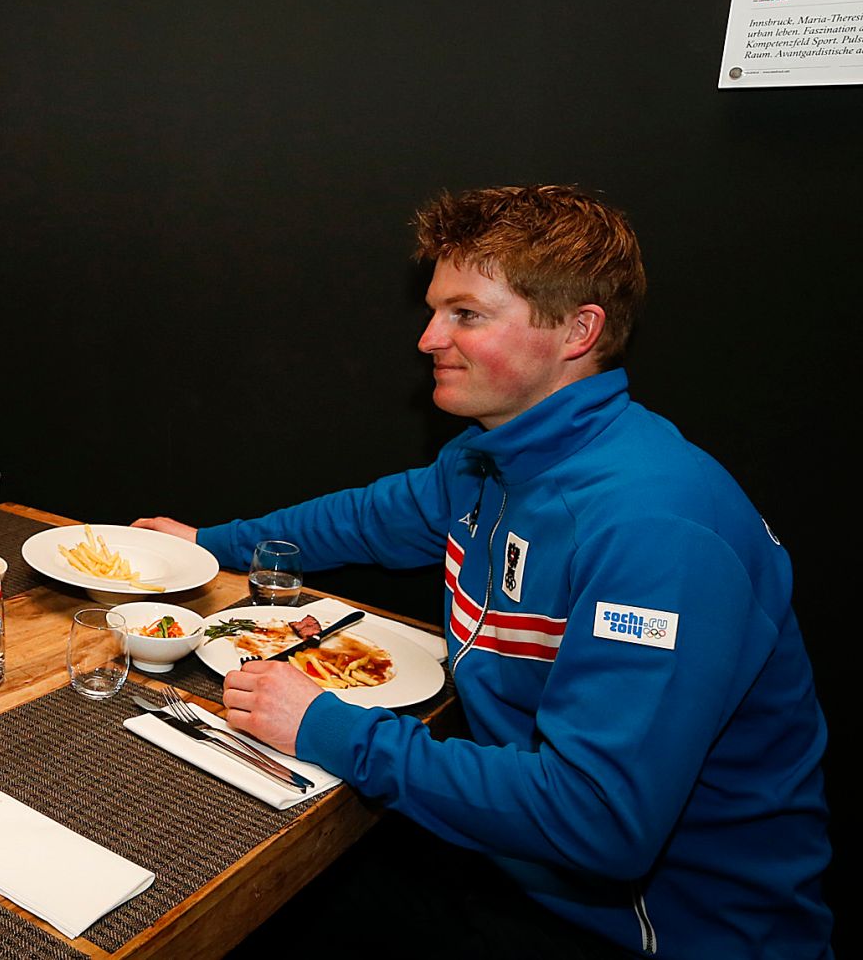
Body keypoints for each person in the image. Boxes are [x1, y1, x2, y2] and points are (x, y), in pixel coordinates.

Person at [135, 185, 830, 957]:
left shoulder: (656, 530)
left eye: (466, 314)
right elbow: (366, 517)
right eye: (434, 310)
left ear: (577, 330)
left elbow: (598, 820)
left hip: (650, 932)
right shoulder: (488, 457)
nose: (429, 337)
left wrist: (329, 728)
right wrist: (207, 542)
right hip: (504, 870)